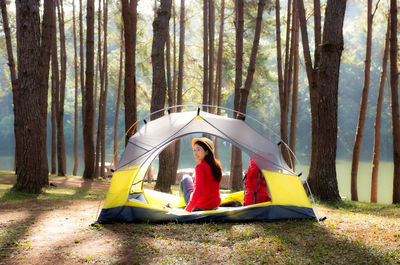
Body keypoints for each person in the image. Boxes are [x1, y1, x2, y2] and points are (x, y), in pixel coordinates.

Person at [180, 137, 222, 212]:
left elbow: (199, 190)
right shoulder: (216, 166)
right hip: (214, 206)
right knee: (192, 178)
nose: (195, 153)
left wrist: (188, 209)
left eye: (198, 150)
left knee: (185, 178)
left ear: (206, 152)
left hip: (200, 206)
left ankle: (182, 203)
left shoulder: (200, 167)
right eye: (194, 150)